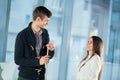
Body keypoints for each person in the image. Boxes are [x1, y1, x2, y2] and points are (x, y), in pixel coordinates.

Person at [14, 6, 55, 80]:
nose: (47, 23)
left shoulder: (45, 33)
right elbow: (18, 60)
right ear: (38, 19)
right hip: (26, 77)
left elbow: (46, 56)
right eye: (46, 20)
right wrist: (38, 61)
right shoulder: (22, 35)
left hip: (41, 76)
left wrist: (51, 51)